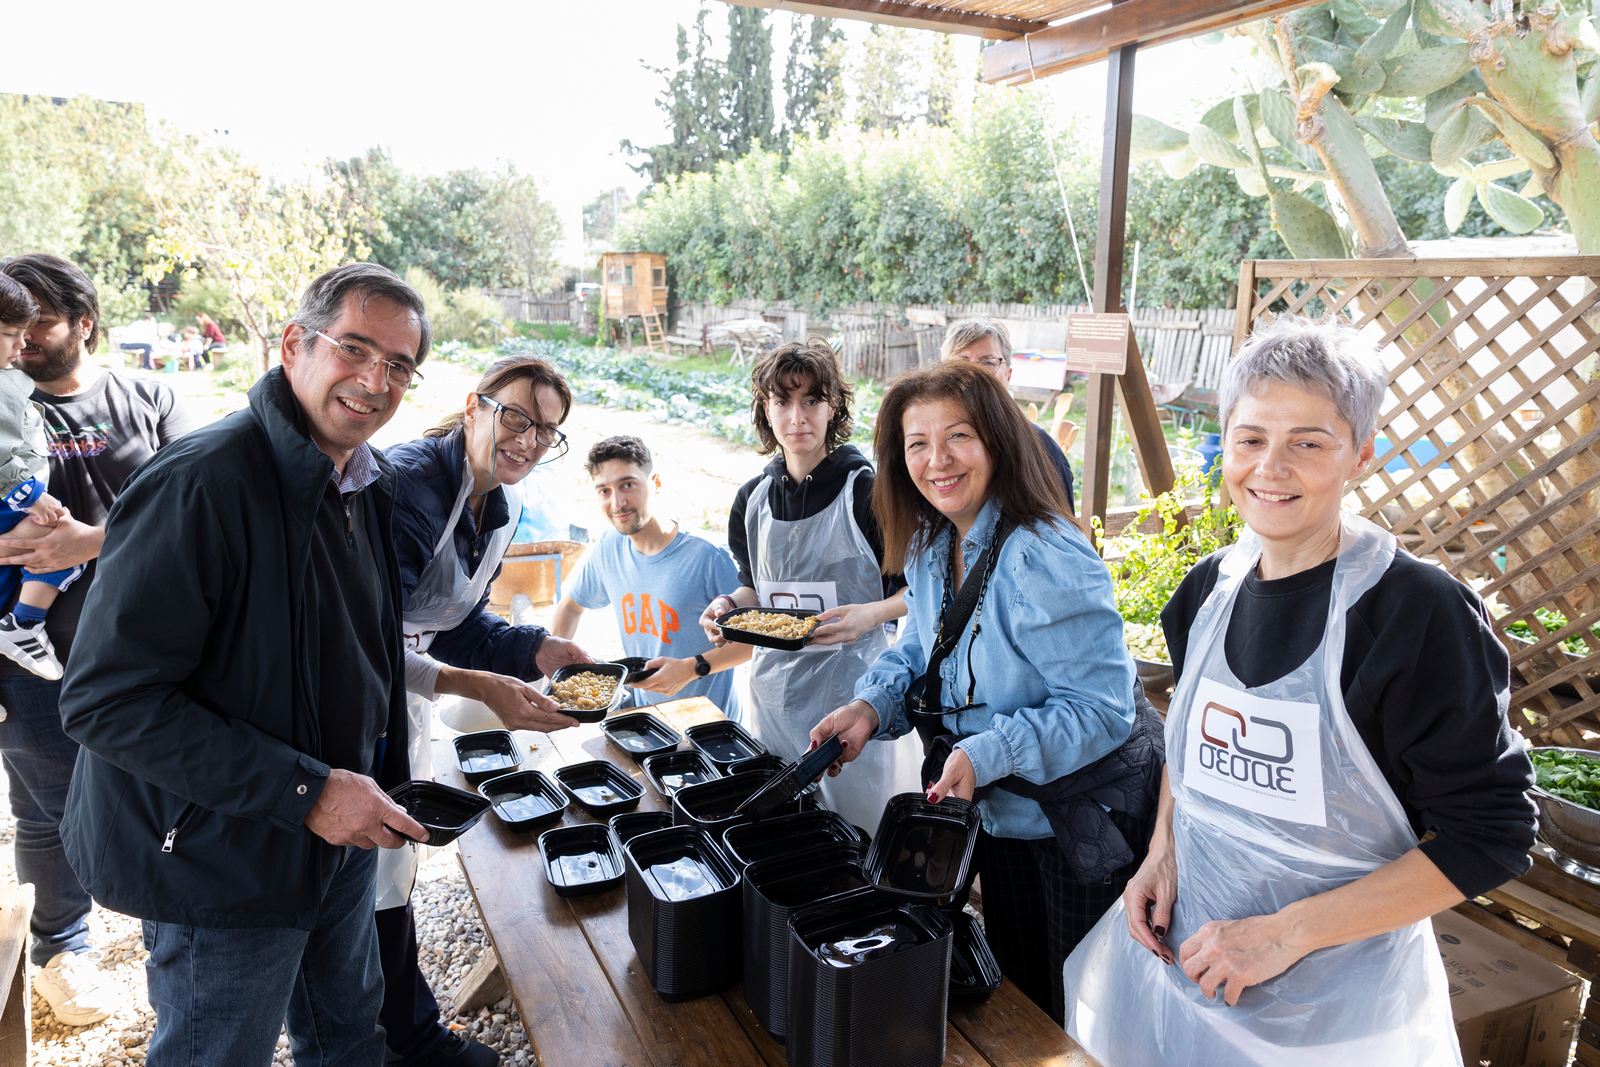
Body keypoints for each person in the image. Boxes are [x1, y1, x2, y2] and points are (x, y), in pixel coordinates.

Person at [1061, 316, 1537, 1064]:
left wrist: (1283, 935)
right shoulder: (1205, 592)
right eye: (1251, 439)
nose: (1270, 468)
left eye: (1308, 442)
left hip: (1335, 1024)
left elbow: (1495, 835)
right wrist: (1163, 851)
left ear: (1362, 455)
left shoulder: (1415, 615)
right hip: (1186, 973)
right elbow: (1192, 750)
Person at [59, 263, 435, 1064]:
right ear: (296, 343)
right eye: (356, 349)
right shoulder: (201, 482)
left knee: (347, 1033)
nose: (375, 381)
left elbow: (363, 651)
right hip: (222, 852)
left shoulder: (364, 479)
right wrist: (305, 790)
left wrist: (375, 782)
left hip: (337, 834)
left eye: (399, 365)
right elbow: (105, 701)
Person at [809, 360, 1155, 1024]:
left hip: (1080, 825)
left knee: (1085, 1012)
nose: (936, 459)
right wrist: (866, 707)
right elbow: (918, 651)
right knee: (1020, 993)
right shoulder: (933, 543)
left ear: (997, 439)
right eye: (917, 444)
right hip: (1000, 816)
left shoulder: (1045, 553)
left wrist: (988, 751)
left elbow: (1101, 708)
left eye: (958, 436)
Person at [381, 353, 597, 1067]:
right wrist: (478, 686)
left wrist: (539, 649)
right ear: (474, 406)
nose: (529, 441)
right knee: (370, 863)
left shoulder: (497, 508)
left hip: (404, 691)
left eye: (547, 431)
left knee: (389, 864)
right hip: (352, 693)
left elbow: (461, 626)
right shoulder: (411, 485)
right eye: (517, 417)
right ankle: (395, 1037)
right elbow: (364, 640)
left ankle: (402, 1032)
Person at [0, 254, 195, 1028]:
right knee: (50, 807)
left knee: (161, 798)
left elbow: (198, 513)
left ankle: (174, 932)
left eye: (41, 320)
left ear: (85, 322)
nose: (26, 340)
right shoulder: (3, 398)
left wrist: (88, 543)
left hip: (150, 651)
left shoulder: (148, 396)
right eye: (15, 326)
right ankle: (62, 947)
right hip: (26, 656)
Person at [698, 340, 921, 832]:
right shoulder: (752, 499)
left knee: (857, 834)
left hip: (855, 695)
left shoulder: (866, 490)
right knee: (786, 831)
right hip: (774, 696)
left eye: (811, 401)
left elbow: (919, 591)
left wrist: (871, 614)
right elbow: (756, 591)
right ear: (765, 409)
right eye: (782, 401)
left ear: (833, 407)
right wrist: (726, 606)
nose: (796, 417)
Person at [551, 435, 748, 713]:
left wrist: (694, 668)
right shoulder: (608, 547)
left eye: (627, 485)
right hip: (648, 721)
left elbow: (753, 645)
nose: (618, 502)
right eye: (604, 491)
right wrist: (558, 671)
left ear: (655, 482)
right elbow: (571, 606)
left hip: (711, 728)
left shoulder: (708, 557)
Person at [0, 275, 83, 680]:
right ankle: (24, 625)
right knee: (54, 539)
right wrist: (29, 493)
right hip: (12, 496)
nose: (22, 343)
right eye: (10, 333)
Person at [941, 317, 1075, 513]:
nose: (974, 371)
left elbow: (1063, 531)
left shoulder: (1040, 449)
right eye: (962, 362)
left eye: (988, 362)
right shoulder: (926, 445)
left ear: (1008, 375)